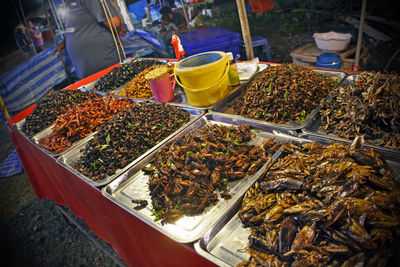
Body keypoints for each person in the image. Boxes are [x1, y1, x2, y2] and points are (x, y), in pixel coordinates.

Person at [53, 0, 126, 79]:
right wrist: (119, 29)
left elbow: (75, 24)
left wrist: (66, 42)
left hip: (83, 65)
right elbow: (114, 23)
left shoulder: (68, 2)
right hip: (101, 58)